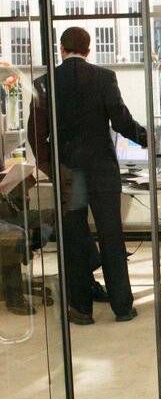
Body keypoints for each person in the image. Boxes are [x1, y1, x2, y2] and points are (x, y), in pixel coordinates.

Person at [27, 26, 146, 325]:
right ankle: (122, 307)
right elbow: (121, 121)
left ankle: (81, 309)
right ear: (88, 50)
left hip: (69, 172)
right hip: (102, 170)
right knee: (111, 236)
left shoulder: (43, 84)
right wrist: (147, 138)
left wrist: (51, 166)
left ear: (61, 49)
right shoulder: (105, 77)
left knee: (75, 238)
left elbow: (36, 134)